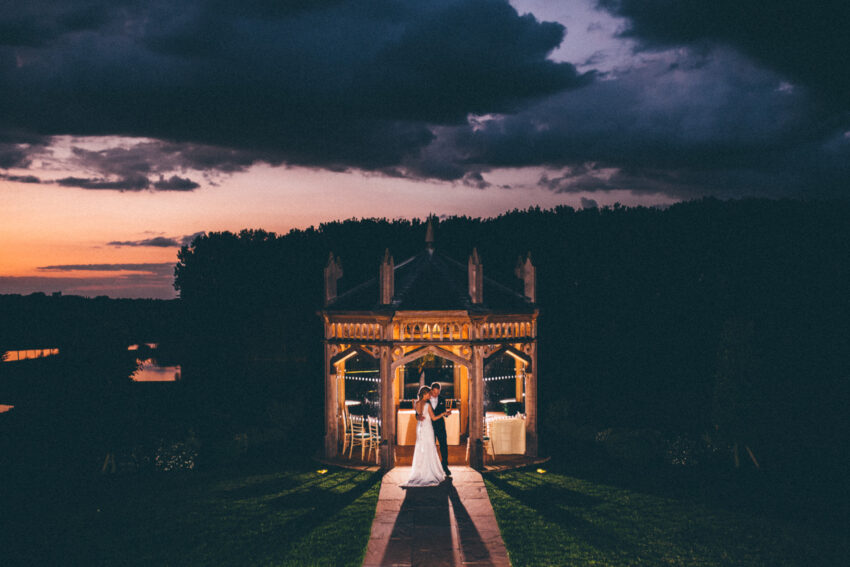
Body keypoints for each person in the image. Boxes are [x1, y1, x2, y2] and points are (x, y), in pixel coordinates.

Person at [401, 386, 451, 487]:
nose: (431, 395)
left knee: (421, 448)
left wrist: (418, 416)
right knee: (429, 448)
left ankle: (422, 471)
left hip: (421, 428)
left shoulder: (416, 403)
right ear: (425, 393)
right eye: (429, 393)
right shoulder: (427, 404)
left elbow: (419, 414)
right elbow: (433, 417)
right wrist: (443, 413)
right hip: (428, 428)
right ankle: (429, 471)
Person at [429, 382, 452, 477]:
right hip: (429, 427)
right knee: (431, 446)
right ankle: (431, 467)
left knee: (444, 446)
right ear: (431, 390)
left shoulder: (442, 399)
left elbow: (442, 412)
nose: (436, 395)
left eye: (438, 393)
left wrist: (446, 414)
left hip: (440, 426)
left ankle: (445, 466)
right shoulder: (426, 400)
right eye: (434, 392)